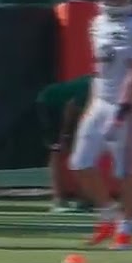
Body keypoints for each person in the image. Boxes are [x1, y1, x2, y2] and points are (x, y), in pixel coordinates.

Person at [69, 0, 132, 250]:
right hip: (99, 100)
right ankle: (108, 215)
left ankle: (126, 230)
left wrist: (123, 109)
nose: (109, 2)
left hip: (126, 106)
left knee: (124, 171)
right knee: (80, 163)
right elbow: (101, 69)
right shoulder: (97, 23)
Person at [38, 75, 94, 212]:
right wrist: (65, 133)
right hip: (49, 103)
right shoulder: (94, 86)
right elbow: (71, 107)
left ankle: (83, 198)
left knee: (80, 152)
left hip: (68, 109)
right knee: (57, 150)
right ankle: (58, 200)